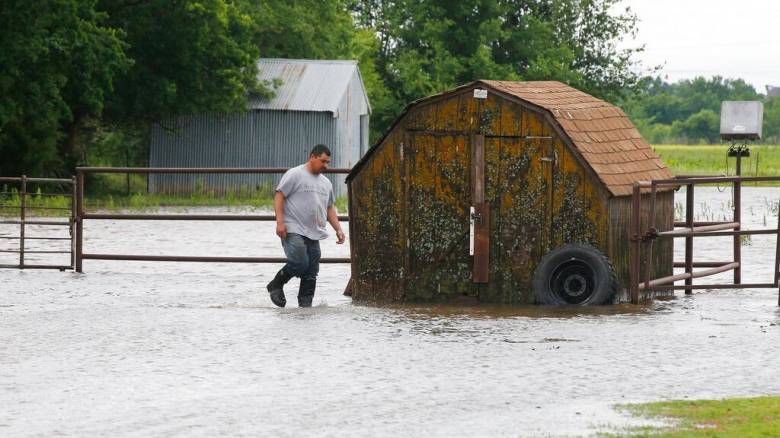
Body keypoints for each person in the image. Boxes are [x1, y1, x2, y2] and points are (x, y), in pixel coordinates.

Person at [266, 144, 346, 307]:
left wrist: (338, 228)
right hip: (293, 228)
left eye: (328, 162)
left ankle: (305, 307)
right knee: (300, 262)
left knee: (311, 270)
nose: (326, 166)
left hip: (314, 232)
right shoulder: (295, 174)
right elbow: (279, 195)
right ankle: (276, 284)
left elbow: (329, 207)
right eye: (323, 161)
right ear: (312, 157)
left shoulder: (326, 183)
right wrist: (280, 223)